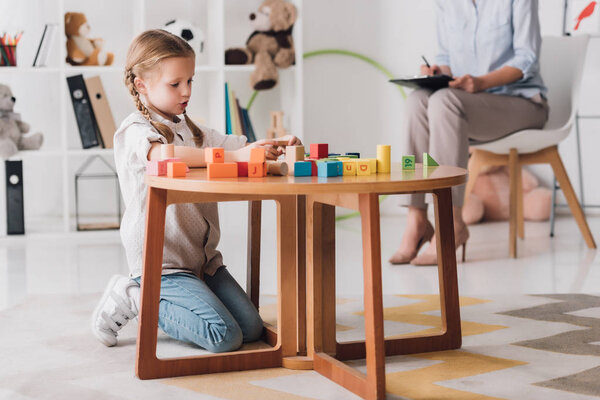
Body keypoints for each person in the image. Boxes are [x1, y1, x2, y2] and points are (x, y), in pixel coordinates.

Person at [90, 29, 302, 352]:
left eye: (190, 81)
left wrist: (275, 146)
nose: (186, 91)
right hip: (163, 265)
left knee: (251, 328)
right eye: (175, 84)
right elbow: (162, 155)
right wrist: (230, 157)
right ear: (141, 85)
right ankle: (135, 295)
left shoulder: (192, 128)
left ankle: (186, 296)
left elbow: (240, 146)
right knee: (224, 336)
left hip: (204, 263)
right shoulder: (135, 131)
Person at [390, 0, 549, 266]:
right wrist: (439, 72)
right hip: (469, 104)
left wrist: (481, 82)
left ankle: (450, 222)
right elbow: (446, 58)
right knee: (416, 101)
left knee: (445, 102)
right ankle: (416, 219)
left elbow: (527, 58)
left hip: (522, 104)